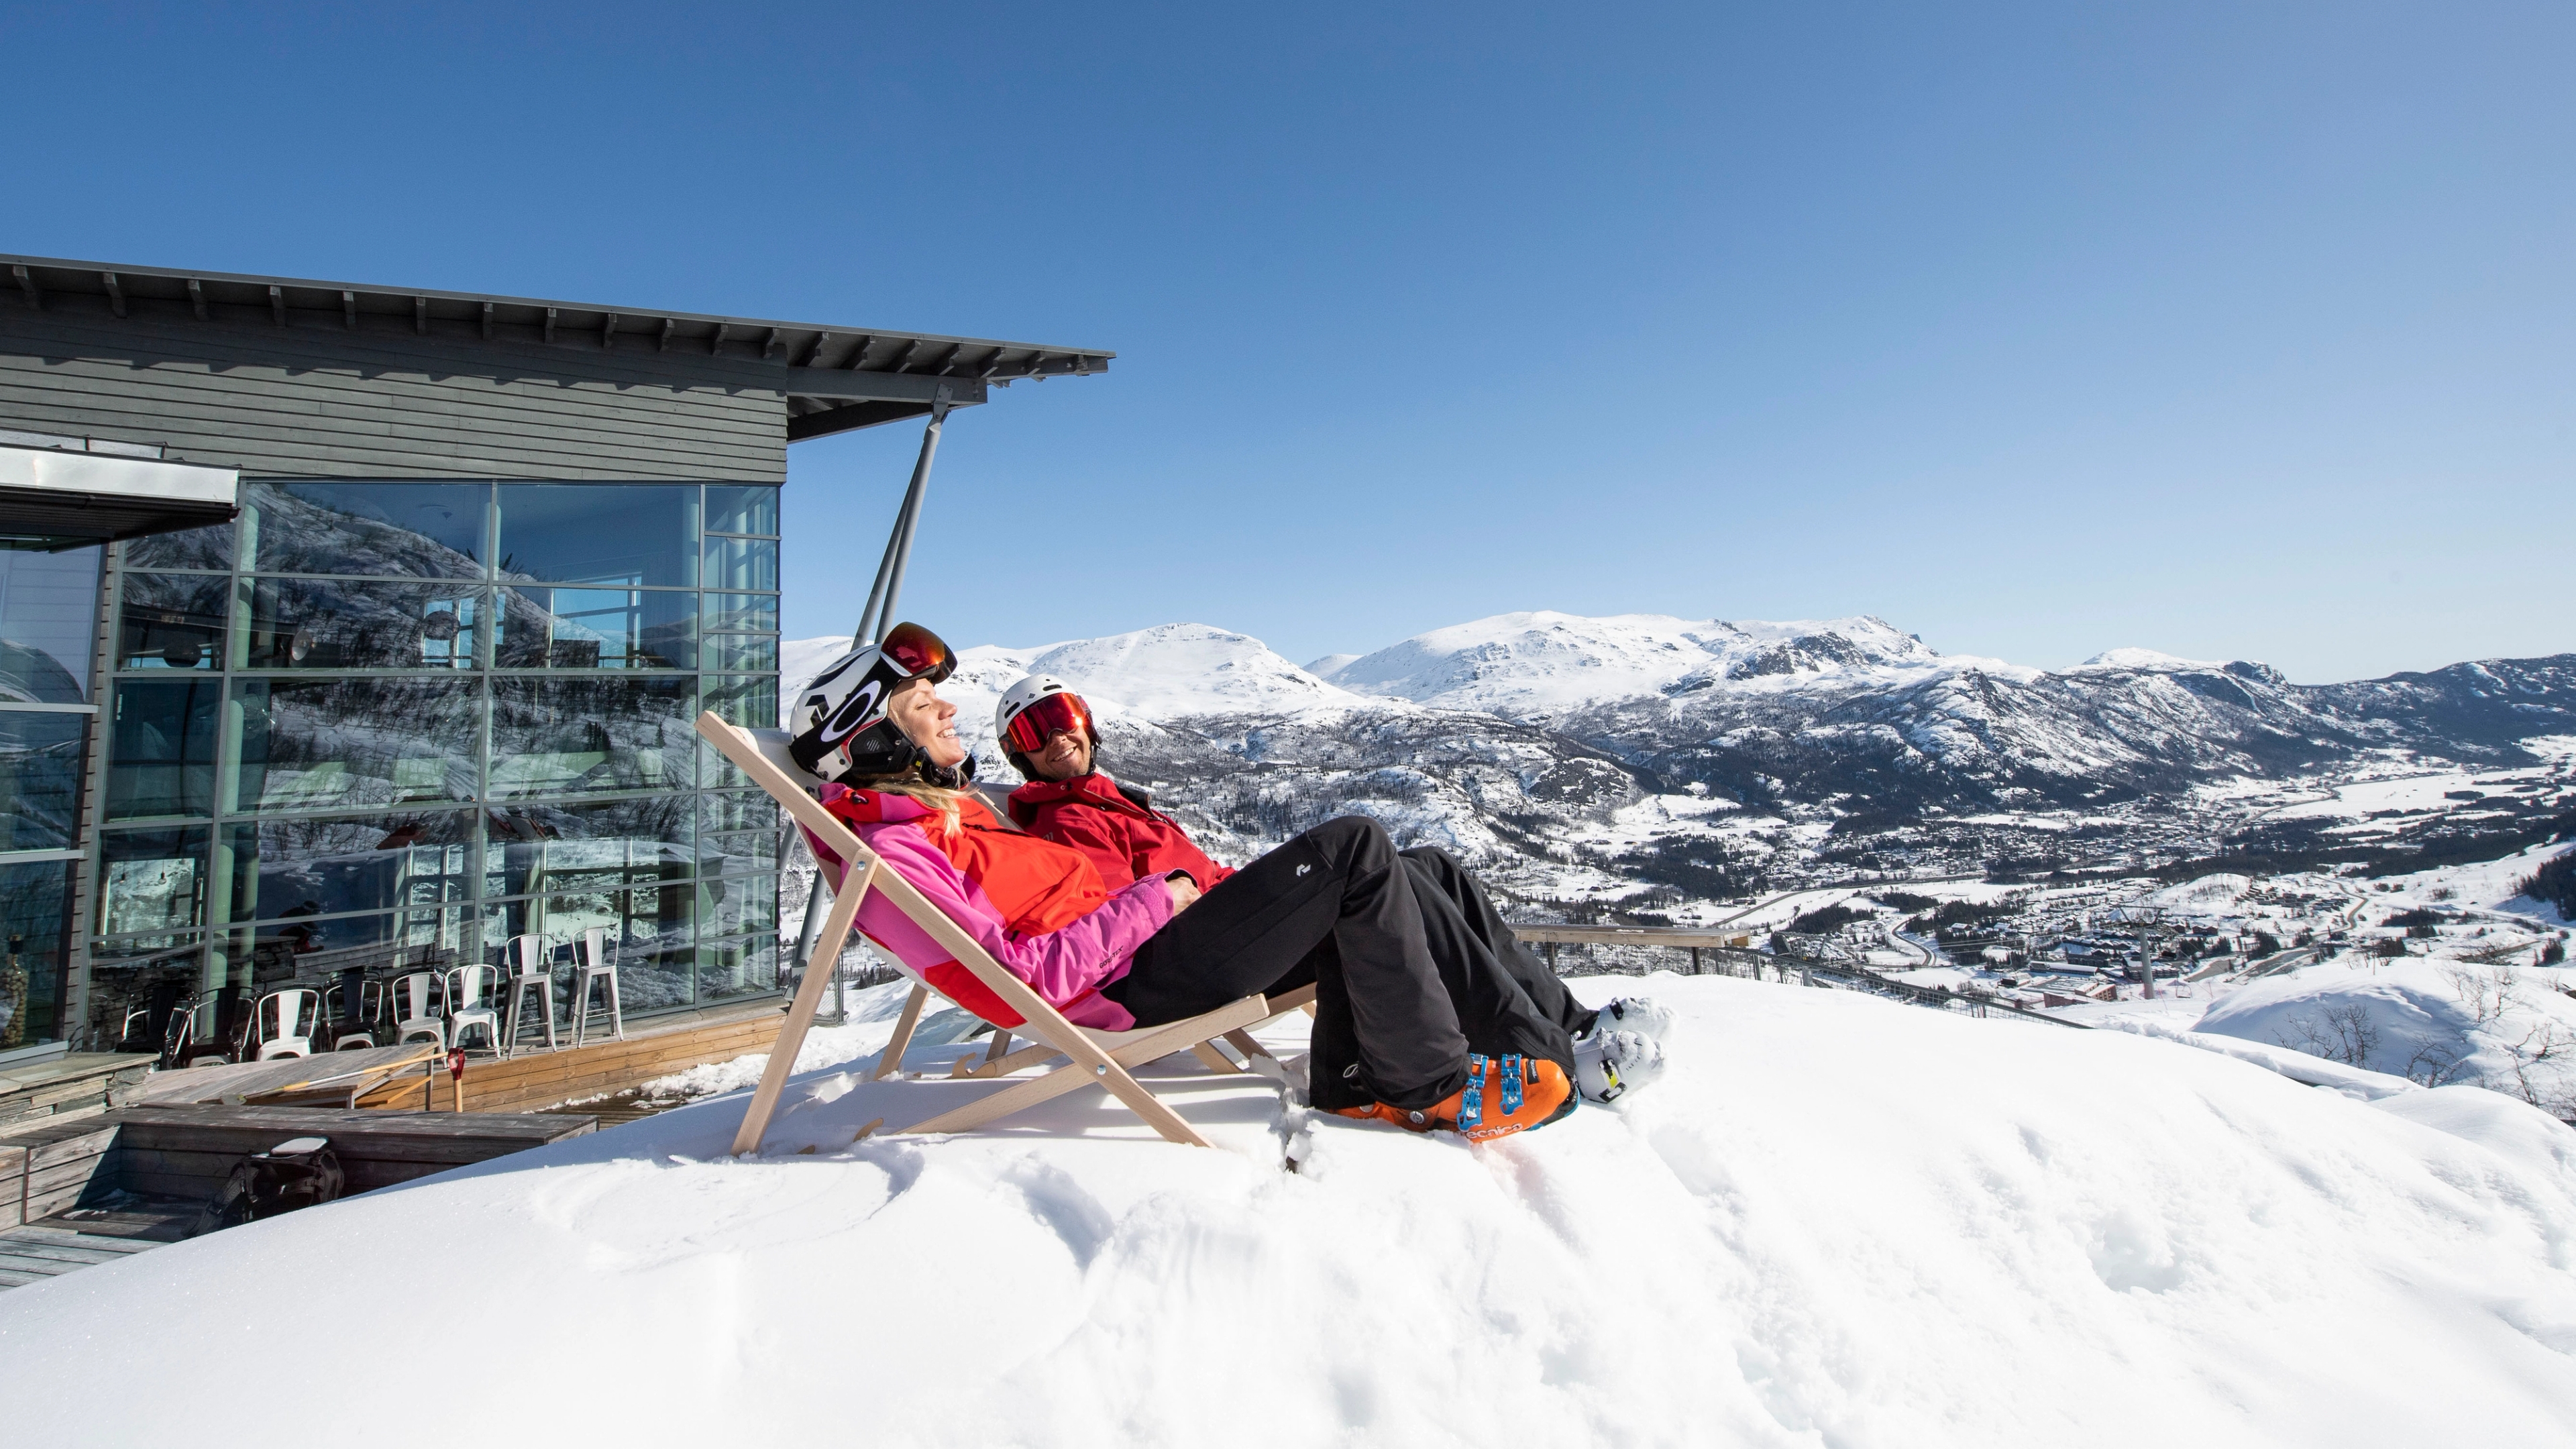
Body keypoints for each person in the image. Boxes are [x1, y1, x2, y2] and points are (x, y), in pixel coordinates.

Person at [788, 627, 1663, 1143]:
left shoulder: (944, 820)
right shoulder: (896, 858)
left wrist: (1168, 892)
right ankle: (1427, 1083)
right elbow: (1028, 979)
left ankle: (1450, 1056)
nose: (947, 710)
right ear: (871, 740)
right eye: (920, 706)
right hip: (1128, 986)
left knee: (1416, 866)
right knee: (1357, 848)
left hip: (1147, 952)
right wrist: (1161, 895)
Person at [1004, 672, 1672, 1108]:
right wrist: (1199, 899)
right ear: (1020, 756)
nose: (1057, 734)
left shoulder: (1115, 803)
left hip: (1204, 942)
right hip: (1163, 977)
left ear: (1087, 721)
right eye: (1034, 730)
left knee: (1425, 867)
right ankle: (1547, 1059)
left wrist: (1244, 897)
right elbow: (1109, 925)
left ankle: (1570, 1021)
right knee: (1359, 846)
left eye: (1062, 714)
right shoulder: (1067, 821)